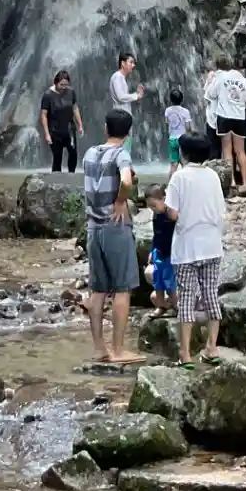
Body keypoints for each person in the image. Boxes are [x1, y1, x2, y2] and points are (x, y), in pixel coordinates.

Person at [83, 108, 141, 364]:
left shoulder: (89, 153)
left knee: (97, 290)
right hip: (116, 227)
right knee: (122, 289)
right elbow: (126, 181)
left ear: (106, 128)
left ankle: (99, 349)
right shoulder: (122, 154)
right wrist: (120, 201)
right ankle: (118, 351)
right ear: (128, 134)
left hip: (93, 227)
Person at [165, 131, 227, 364]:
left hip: (187, 247)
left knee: (187, 299)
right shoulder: (213, 176)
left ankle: (185, 354)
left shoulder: (179, 177)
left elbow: (173, 213)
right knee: (211, 295)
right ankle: (212, 348)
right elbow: (221, 211)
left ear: (184, 153)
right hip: (212, 244)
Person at [206, 62, 246, 190]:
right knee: (240, 151)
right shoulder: (245, 82)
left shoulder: (221, 78)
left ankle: (231, 181)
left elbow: (211, 94)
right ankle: (245, 182)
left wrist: (209, 82)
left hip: (224, 117)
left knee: (227, 151)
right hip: (239, 117)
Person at [40, 70, 84, 173]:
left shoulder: (71, 92)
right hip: (55, 130)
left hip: (69, 128)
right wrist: (47, 134)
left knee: (73, 153)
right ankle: (56, 178)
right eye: (61, 85)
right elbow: (44, 115)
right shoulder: (48, 95)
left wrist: (80, 125)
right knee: (57, 156)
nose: (64, 87)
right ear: (55, 82)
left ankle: (71, 174)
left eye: (66, 85)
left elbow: (75, 108)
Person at [145, 185, 177, 312]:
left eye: (154, 205)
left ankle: (175, 304)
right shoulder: (155, 215)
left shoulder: (171, 215)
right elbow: (156, 235)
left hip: (171, 254)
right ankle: (160, 305)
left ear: (163, 199)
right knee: (158, 281)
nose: (152, 209)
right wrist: (152, 251)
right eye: (150, 206)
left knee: (169, 282)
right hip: (159, 252)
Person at [163, 89, 192, 173]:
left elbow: (167, 124)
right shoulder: (185, 111)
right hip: (183, 139)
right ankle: (185, 180)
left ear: (170, 100)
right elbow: (188, 127)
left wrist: (168, 134)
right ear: (182, 99)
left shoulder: (168, 110)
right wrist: (191, 135)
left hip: (172, 139)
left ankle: (171, 181)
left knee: (173, 165)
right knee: (184, 163)